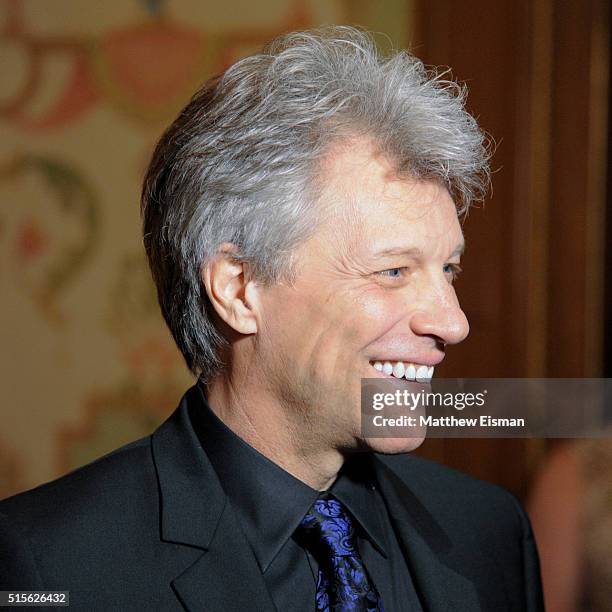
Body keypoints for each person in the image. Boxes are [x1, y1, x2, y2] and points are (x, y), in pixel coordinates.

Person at [0, 26, 543, 611]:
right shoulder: (47, 564)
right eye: (394, 272)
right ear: (238, 289)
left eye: (449, 270)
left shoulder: (488, 532)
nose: (453, 323)